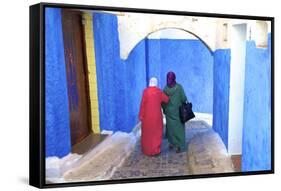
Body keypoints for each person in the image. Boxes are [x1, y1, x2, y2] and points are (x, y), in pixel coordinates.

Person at [139, 77, 169, 156]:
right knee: (156, 132)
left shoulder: (145, 91)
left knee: (147, 133)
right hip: (156, 116)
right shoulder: (158, 91)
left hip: (147, 116)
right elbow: (166, 99)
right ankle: (155, 150)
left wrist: (141, 115)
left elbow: (142, 104)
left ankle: (146, 150)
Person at [162, 72, 187, 153]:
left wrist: (165, 109)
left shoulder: (165, 89)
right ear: (174, 78)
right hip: (178, 112)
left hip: (169, 112)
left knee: (170, 129)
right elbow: (183, 99)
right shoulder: (179, 88)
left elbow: (162, 101)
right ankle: (180, 145)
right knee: (179, 129)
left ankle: (172, 143)